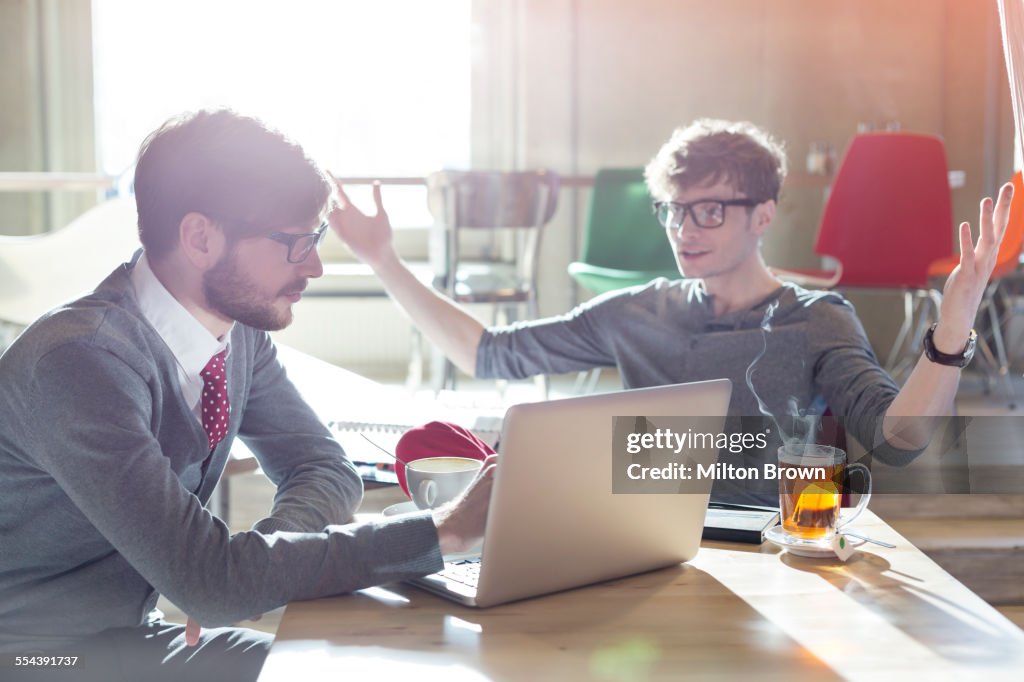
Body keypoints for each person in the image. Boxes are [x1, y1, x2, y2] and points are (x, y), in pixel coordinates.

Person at [0, 109, 494, 682]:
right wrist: (444, 531)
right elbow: (212, 586)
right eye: (294, 241)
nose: (314, 265)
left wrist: (246, 569)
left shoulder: (237, 335)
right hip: (33, 659)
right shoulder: (79, 363)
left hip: (134, 640)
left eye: (317, 238)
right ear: (200, 238)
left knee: (367, 667)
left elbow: (326, 469)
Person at [330, 118, 1013, 494]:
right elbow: (488, 354)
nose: (685, 231)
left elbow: (900, 440)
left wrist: (950, 333)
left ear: (763, 215)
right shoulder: (638, 312)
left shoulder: (816, 318)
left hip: (775, 549)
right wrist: (383, 260)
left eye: (709, 211)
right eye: (674, 212)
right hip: (633, 544)